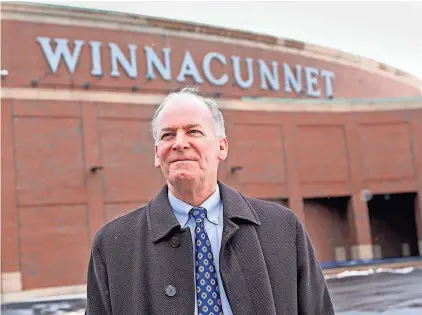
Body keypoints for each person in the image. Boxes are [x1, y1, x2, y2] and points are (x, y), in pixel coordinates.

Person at [85, 86, 335, 315]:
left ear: (222, 147)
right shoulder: (113, 245)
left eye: (194, 131)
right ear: (156, 154)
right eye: (168, 135)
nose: (180, 143)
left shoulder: (282, 229)